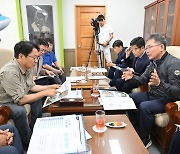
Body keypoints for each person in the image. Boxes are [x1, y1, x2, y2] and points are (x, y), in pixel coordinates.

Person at [122, 34, 180, 148]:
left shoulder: (174, 63)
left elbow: (177, 92)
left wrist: (160, 83)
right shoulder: (153, 62)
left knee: (144, 106)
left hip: (166, 99)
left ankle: (145, 138)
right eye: (146, 48)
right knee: (129, 98)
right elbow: (143, 79)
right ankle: (137, 128)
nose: (147, 51)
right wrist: (132, 76)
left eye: (149, 47)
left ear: (161, 47)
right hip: (153, 95)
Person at [0, 41, 60, 149]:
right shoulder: (10, 72)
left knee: (36, 96)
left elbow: (32, 87)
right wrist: (45, 92)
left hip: (16, 97)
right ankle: (28, 144)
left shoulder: (26, 68)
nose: (36, 61)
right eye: (34, 58)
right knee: (20, 111)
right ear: (21, 56)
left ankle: (36, 128)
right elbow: (21, 100)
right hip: (4, 103)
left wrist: (50, 87)